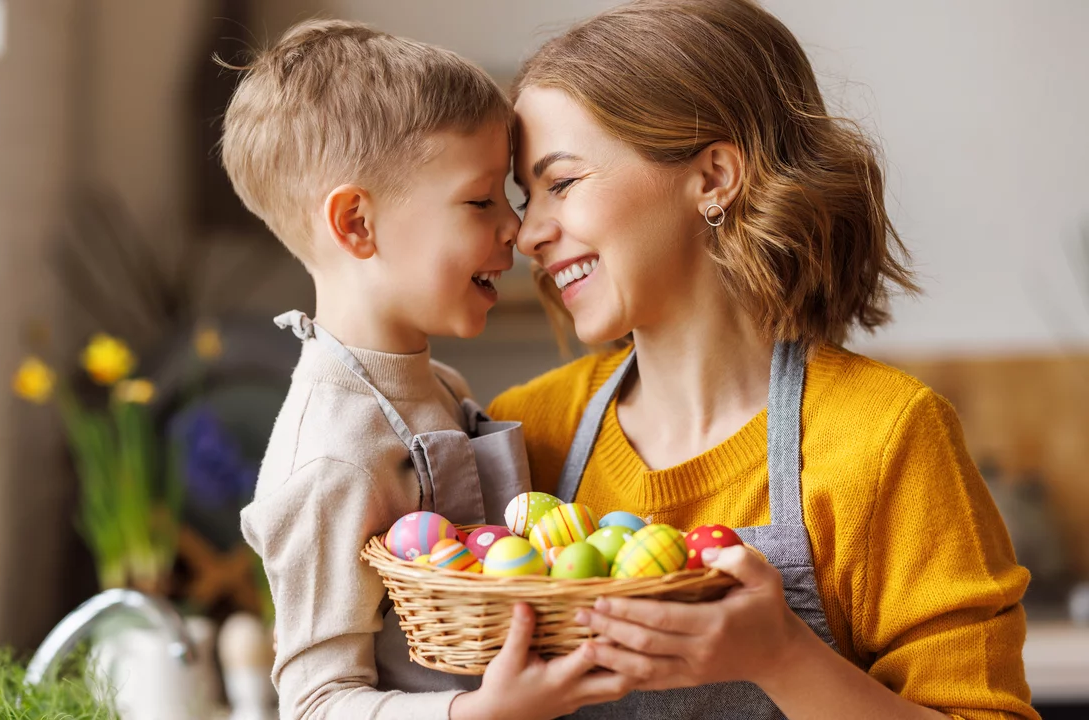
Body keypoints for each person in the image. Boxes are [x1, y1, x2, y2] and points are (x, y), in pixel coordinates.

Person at [491, 1, 1037, 718]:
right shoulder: (525, 429)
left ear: (714, 176)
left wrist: (781, 656)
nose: (528, 233)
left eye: (560, 183)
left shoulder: (884, 437)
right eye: (525, 198)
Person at [226, 19, 633, 720]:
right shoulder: (333, 457)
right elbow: (315, 702)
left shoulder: (441, 387)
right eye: (481, 201)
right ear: (357, 223)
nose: (516, 226)